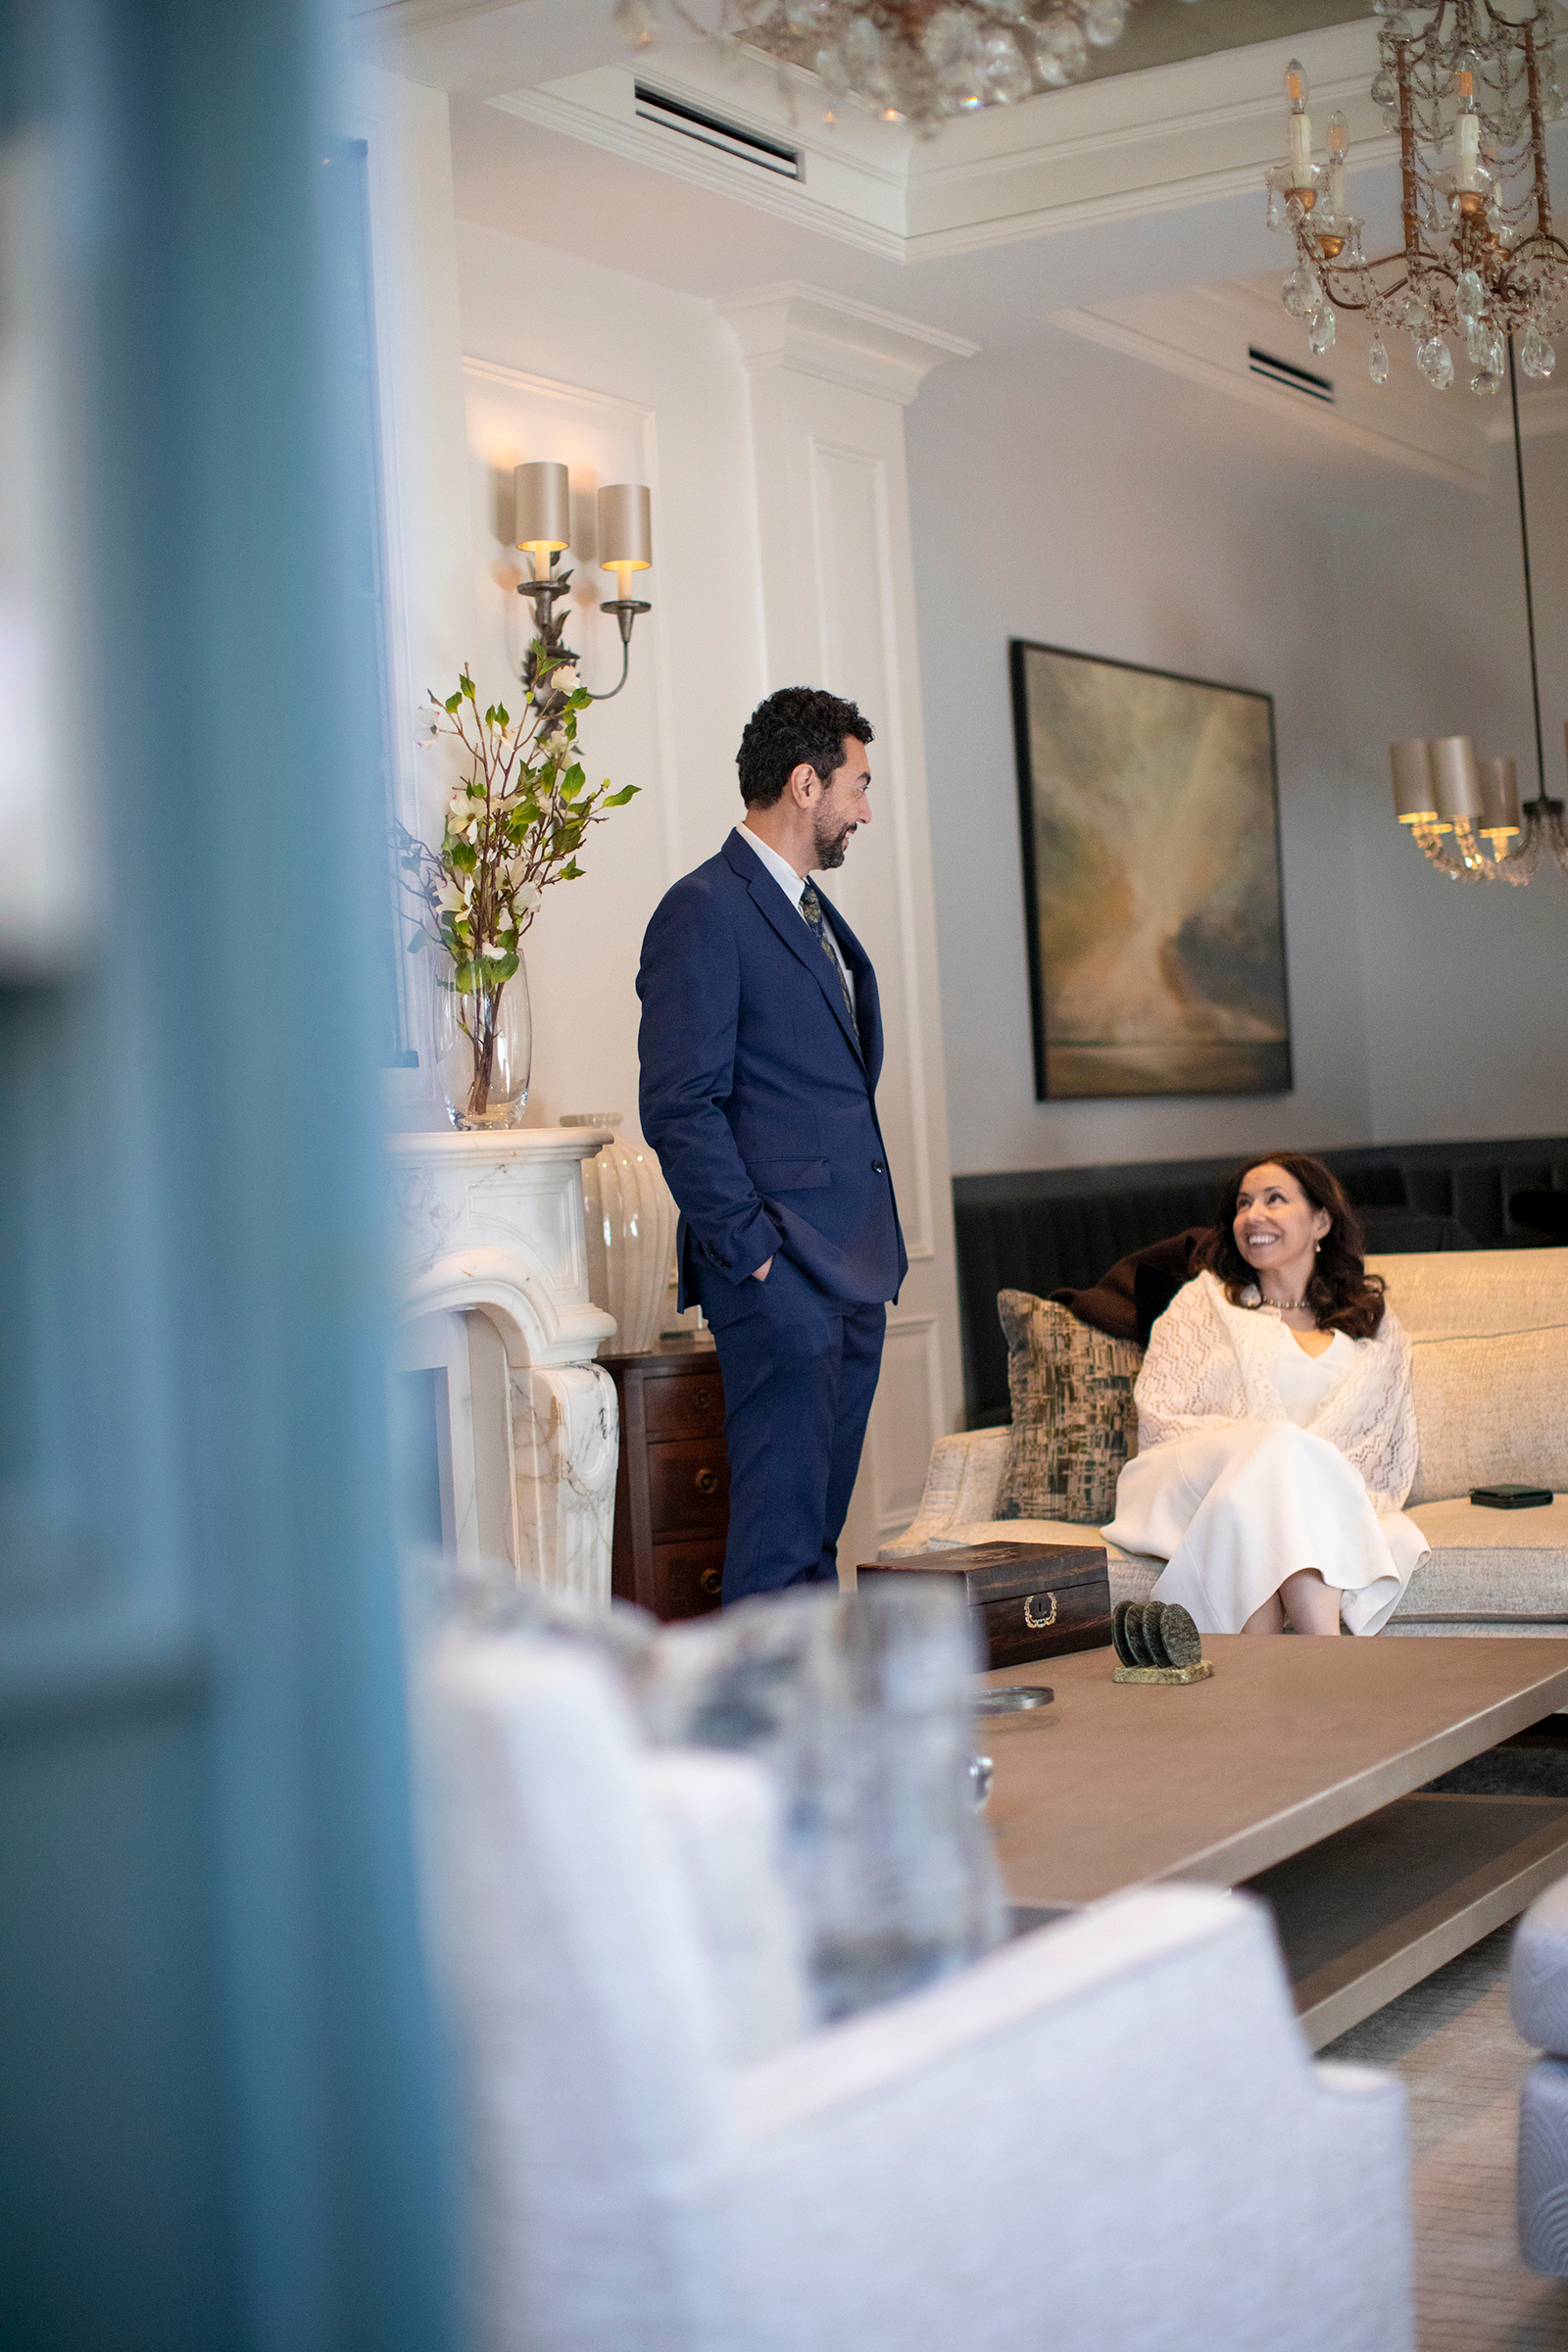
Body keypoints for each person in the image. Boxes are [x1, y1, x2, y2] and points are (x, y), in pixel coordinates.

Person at [636, 686, 906, 1602]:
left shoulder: (810, 911)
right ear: (805, 783)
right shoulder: (704, 909)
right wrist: (755, 1257)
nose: (864, 811)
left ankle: (808, 1703)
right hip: (781, 1276)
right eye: (858, 786)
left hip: (854, 1270)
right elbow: (681, 1106)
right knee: (774, 1551)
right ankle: (754, 1702)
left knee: (815, 1546)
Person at [1102, 1152, 1427, 1637]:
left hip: (1288, 1501)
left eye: (1274, 1200)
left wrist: (1297, 1470)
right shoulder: (1203, 1302)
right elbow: (1159, 1415)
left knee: (1281, 1487)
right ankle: (1327, 1650)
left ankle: (1278, 1665)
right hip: (1185, 1481)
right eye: (1243, 1204)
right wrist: (1273, 1448)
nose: (1253, 1216)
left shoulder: (1374, 1327)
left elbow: (1381, 1445)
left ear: (1321, 1221)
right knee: (1278, 1445)